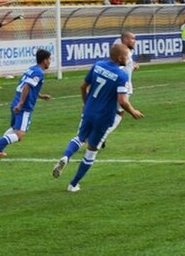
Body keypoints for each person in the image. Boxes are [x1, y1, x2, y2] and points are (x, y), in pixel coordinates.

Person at [53, 43, 142, 191]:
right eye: (126, 56)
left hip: (89, 111)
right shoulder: (121, 75)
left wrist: (86, 103)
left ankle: (66, 157)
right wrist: (133, 112)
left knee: (80, 137)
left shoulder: (98, 65)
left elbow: (82, 87)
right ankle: (73, 184)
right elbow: (122, 101)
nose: (128, 58)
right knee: (92, 150)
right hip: (104, 117)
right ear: (120, 57)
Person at [0, 49, 52, 161]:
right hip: (24, 106)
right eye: (49, 59)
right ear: (44, 61)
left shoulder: (32, 69)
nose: (50, 62)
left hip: (16, 101)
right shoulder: (39, 73)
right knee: (19, 135)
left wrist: (40, 96)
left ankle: (0, 151)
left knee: (14, 129)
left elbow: (28, 86)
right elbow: (26, 87)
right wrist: (21, 103)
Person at [97, 31, 140, 150]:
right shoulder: (123, 52)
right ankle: (100, 138)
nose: (135, 41)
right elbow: (118, 66)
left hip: (116, 86)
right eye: (133, 39)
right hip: (122, 86)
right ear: (125, 40)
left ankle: (98, 134)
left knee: (109, 112)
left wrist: (132, 66)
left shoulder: (125, 50)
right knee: (119, 113)